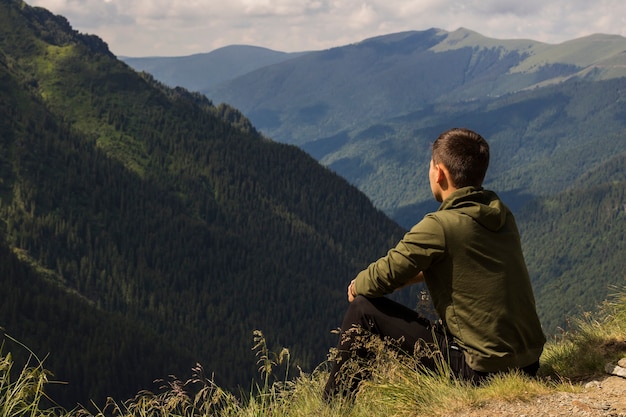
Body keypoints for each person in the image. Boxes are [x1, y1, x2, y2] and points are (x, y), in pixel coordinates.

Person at [324, 127, 546, 399]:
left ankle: (333, 406)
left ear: (439, 173)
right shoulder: (500, 214)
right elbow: (456, 261)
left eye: (430, 166)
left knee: (363, 310)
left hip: (480, 373)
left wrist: (357, 284)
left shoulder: (440, 226)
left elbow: (379, 278)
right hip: (529, 363)